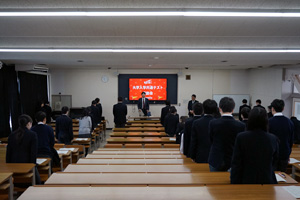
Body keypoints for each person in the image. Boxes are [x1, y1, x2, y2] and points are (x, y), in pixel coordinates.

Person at [231, 107, 279, 184]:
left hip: (246, 179)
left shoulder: (241, 137)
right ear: (266, 121)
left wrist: (234, 182)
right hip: (267, 179)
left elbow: (236, 163)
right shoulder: (273, 138)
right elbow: (274, 160)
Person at [208, 97, 245, 172]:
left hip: (215, 158)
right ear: (233, 109)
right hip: (232, 158)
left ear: (219, 108)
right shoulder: (241, 125)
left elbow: (211, 139)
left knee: (213, 182)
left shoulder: (213, 123)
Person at [6, 114, 41, 184]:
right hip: (27, 167)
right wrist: (33, 166)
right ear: (29, 124)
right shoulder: (32, 135)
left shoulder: (12, 135)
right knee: (38, 182)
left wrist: (9, 167)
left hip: (13, 167)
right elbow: (33, 153)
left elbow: (8, 153)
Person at [269, 99, 294, 172]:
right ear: (283, 108)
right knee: (283, 176)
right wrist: (288, 154)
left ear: (272, 109)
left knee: (272, 176)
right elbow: (291, 141)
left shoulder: (269, 122)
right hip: (284, 153)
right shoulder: (290, 122)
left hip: (272, 154)